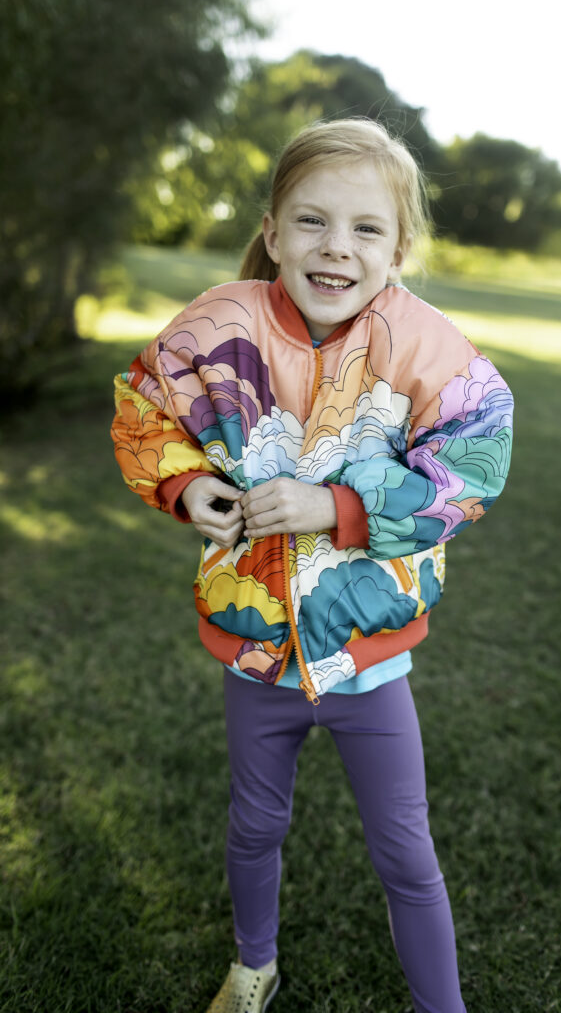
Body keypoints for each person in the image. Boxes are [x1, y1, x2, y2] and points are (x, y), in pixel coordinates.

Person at [111, 117, 513, 1013]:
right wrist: (187, 489)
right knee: (254, 825)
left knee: (405, 848)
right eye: (311, 222)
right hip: (256, 648)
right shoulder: (222, 322)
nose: (336, 249)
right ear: (271, 229)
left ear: (399, 246)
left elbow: (476, 464)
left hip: (371, 657)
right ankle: (254, 963)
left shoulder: (428, 348)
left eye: (366, 228)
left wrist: (337, 508)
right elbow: (145, 407)